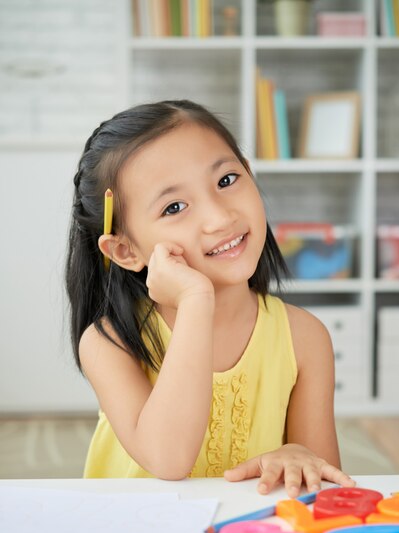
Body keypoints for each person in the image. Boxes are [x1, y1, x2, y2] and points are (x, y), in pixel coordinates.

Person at [66, 99, 355, 497]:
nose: (220, 217)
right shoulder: (108, 342)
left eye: (226, 181)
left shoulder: (305, 338)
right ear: (125, 251)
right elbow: (168, 459)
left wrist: (297, 455)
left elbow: (324, 485)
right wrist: (195, 301)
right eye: (175, 207)